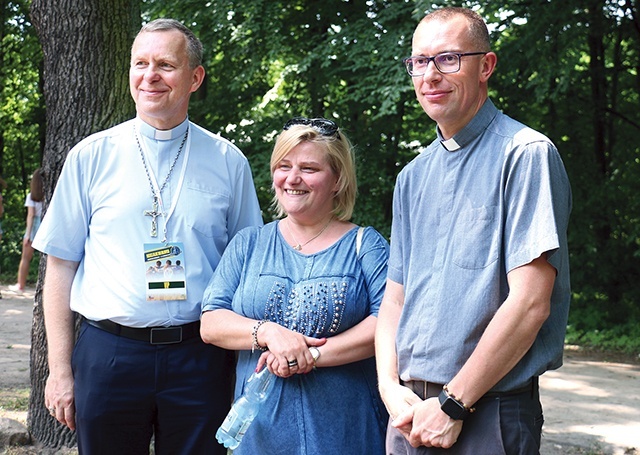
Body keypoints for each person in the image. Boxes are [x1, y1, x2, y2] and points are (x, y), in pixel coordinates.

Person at [32, 18, 263, 455]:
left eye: (165, 64)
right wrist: (59, 370)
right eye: (140, 63)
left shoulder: (228, 161)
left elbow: (247, 267)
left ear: (194, 77)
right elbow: (60, 266)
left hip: (201, 357)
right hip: (108, 353)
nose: (150, 76)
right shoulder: (91, 156)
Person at [375, 7, 571, 454]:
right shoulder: (412, 176)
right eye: (420, 62)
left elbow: (530, 303)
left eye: (449, 59)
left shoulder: (525, 155)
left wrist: (452, 405)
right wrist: (389, 388)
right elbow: (396, 297)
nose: (430, 75)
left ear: (486, 66)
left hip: (486, 414)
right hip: (408, 414)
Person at [201, 117, 389, 454]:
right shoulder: (249, 243)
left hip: (346, 431)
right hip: (260, 434)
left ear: (338, 179)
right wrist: (269, 333)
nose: (292, 178)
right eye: (284, 166)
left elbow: (390, 321)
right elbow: (211, 321)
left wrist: (311, 355)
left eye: (309, 168)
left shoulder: (366, 246)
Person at [9, 168, 44, 293]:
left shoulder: (31, 196)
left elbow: (30, 215)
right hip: (46, 224)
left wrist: (28, 235)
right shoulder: (49, 194)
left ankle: (20, 285)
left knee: (25, 258)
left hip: (34, 226)